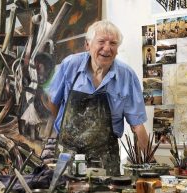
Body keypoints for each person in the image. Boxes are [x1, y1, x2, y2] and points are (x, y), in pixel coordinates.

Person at [47, 20, 149, 176]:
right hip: (67, 155)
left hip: (105, 159)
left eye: (113, 43)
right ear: (88, 45)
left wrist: (150, 162)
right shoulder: (70, 65)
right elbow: (53, 102)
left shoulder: (126, 76)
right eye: (101, 42)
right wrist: (62, 129)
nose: (107, 48)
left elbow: (137, 125)